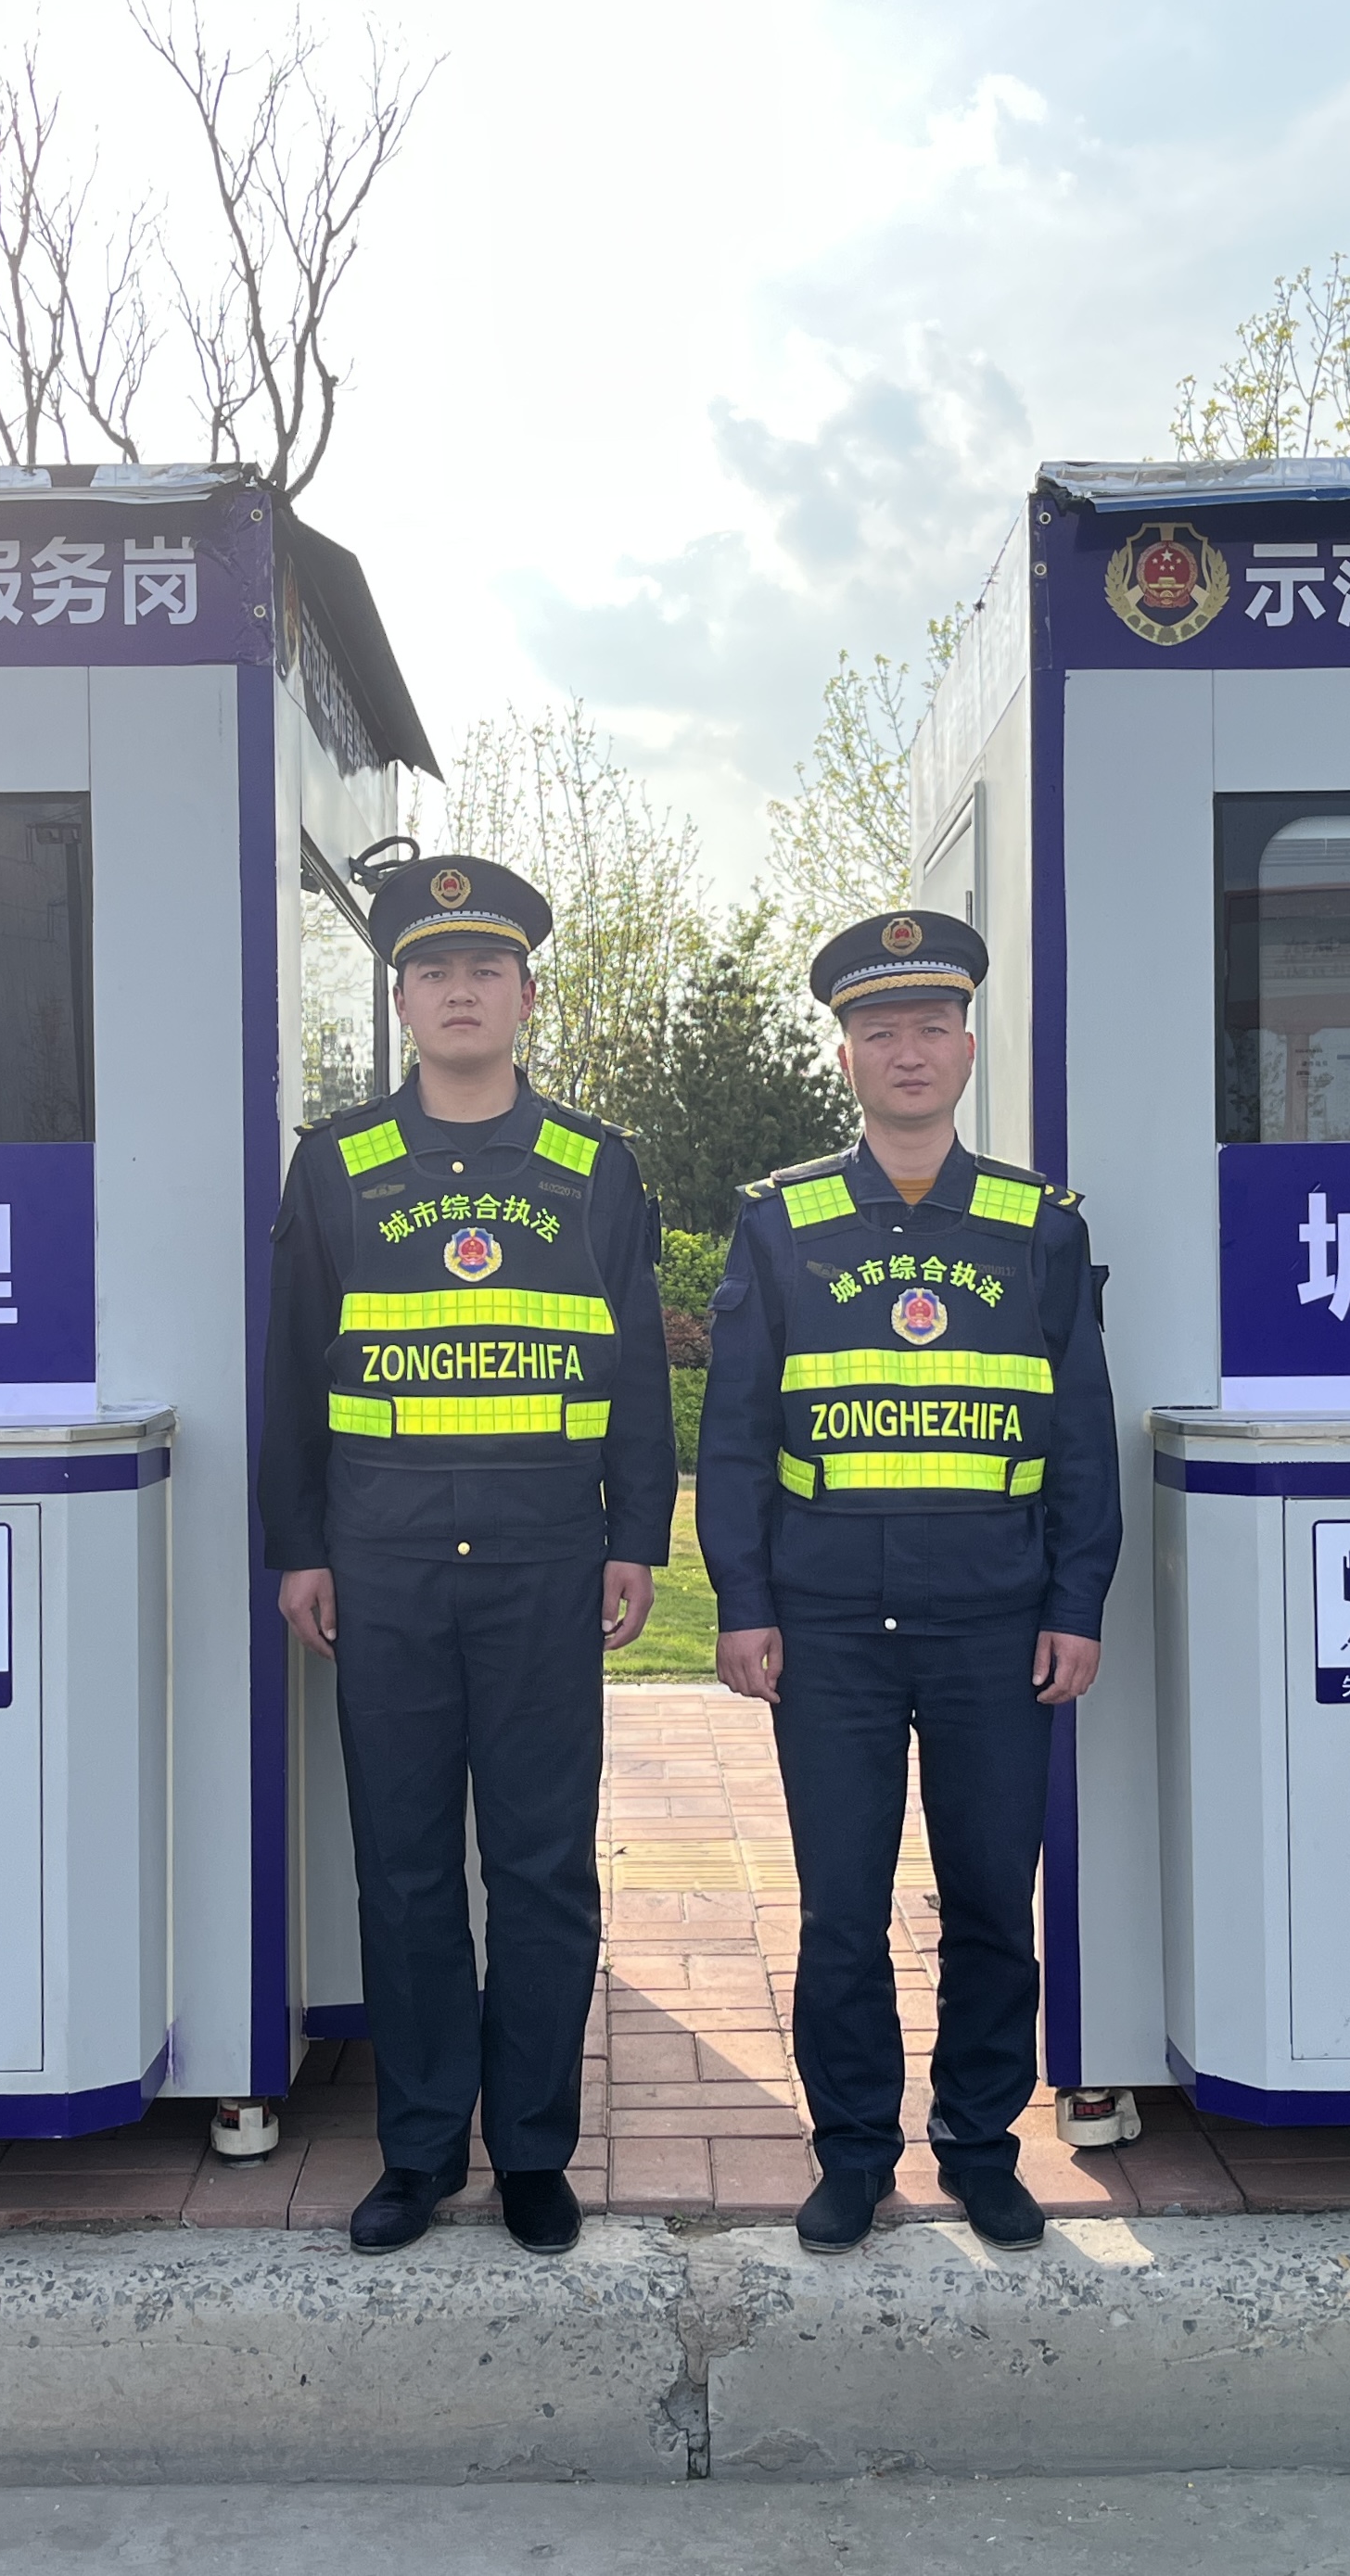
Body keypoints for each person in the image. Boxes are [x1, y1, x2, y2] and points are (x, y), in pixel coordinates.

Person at [259, 854, 674, 2257]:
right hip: (381, 1566)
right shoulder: (337, 1164)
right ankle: (422, 2149)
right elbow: (291, 1369)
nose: (458, 992)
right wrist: (299, 1546)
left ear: (525, 997)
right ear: (400, 1002)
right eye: (432, 972)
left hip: (546, 1562)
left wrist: (637, 1534)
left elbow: (633, 1369)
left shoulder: (594, 1167)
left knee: (544, 1867)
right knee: (405, 1867)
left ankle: (535, 2152)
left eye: (484, 970)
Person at [695, 909, 1120, 2254]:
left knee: (993, 1901)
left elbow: (1079, 1431)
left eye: (932, 1027)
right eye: (880, 1031)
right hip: (830, 1628)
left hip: (996, 1622)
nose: (909, 1051)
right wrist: (744, 1600)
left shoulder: (1037, 1226)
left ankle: (982, 2148)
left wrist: (1076, 1602)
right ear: (847, 1057)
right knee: (840, 1910)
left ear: (968, 1049)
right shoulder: (784, 1221)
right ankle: (852, 2153)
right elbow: (734, 1432)